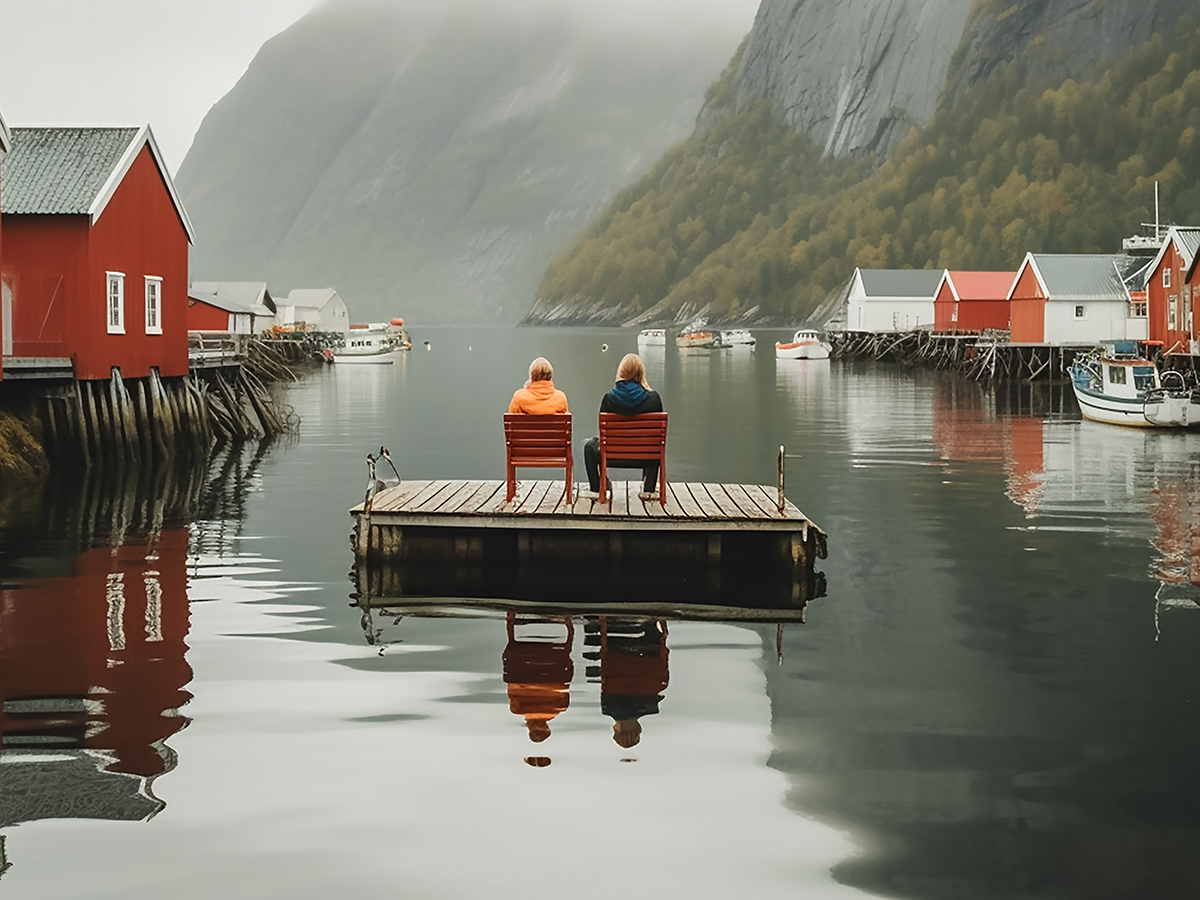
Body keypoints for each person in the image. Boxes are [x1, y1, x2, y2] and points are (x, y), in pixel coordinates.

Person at [582, 353, 663, 499]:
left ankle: (596, 488)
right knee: (655, 444)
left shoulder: (609, 399)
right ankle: (648, 488)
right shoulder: (654, 399)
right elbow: (656, 439)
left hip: (612, 455)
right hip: (645, 457)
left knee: (589, 446)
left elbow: (602, 433)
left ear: (621, 372)